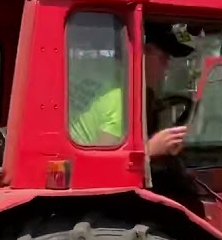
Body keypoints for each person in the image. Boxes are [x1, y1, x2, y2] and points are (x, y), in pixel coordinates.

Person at [68, 22, 195, 155]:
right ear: (144, 52)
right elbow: (103, 166)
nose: (166, 68)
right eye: (163, 59)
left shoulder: (91, 66)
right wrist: (151, 149)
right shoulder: (123, 101)